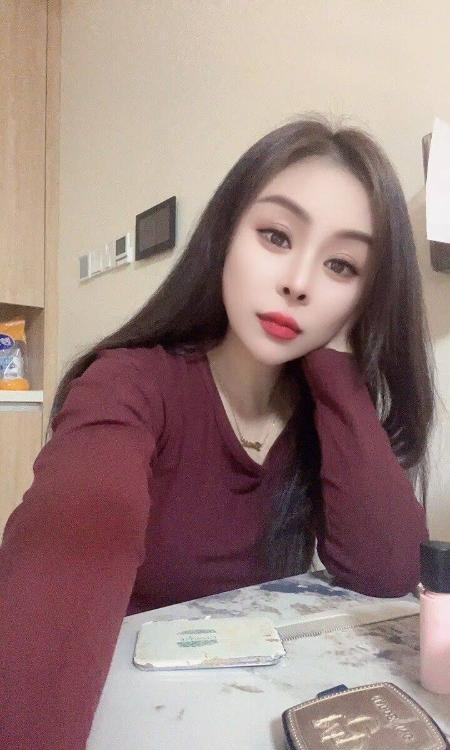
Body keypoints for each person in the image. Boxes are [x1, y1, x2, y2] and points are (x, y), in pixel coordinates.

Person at [0, 116, 434, 749]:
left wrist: (338, 369)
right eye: (276, 236)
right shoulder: (128, 383)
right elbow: (72, 546)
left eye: (341, 265)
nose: (299, 282)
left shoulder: (323, 416)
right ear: (225, 234)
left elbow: (388, 569)